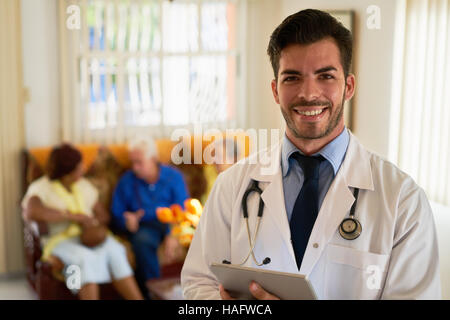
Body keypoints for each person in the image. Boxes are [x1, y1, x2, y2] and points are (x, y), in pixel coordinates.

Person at [181, 9, 441, 299]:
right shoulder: (232, 186)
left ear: (349, 86)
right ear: (276, 91)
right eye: (292, 78)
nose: (308, 93)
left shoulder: (402, 200)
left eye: (325, 76)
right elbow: (197, 285)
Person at [22, 144, 143, 300]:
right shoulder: (40, 188)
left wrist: (91, 222)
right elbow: (32, 212)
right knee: (84, 259)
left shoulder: (84, 185)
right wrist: (71, 216)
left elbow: (103, 215)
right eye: (79, 167)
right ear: (67, 173)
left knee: (116, 251)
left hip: (88, 237)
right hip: (60, 241)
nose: (84, 169)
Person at [111, 135, 189, 299]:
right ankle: (155, 294)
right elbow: (116, 214)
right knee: (142, 241)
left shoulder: (173, 177)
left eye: (139, 162)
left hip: (169, 223)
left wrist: (173, 233)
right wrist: (126, 220)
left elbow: (183, 209)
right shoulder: (126, 181)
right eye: (132, 162)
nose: (135, 168)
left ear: (153, 159)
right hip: (144, 227)